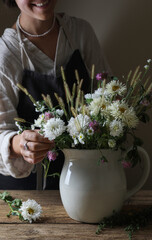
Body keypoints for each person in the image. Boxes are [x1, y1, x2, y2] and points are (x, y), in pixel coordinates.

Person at [0, 0, 110, 190]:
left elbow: (106, 95)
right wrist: (21, 144)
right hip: (28, 194)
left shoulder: (80, 33)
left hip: (85, 181)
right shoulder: (5, 55)